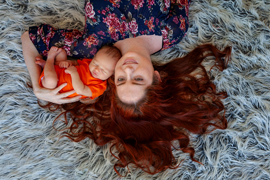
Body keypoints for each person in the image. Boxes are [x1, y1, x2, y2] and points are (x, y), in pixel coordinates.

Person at [21, 0, 231, 176]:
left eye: (121, 80)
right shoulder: (173, 31)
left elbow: (30, 39)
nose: (128, 69)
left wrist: (38, 88)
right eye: (138, 79)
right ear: (157, 78)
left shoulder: (93, 47)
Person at [38, 45, 121, 99]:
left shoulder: (100, 87)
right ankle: (47, 66)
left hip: (53, 86)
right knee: (62, 53)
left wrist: (74, 73)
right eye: (95, 63)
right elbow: (75, 63)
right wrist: (68, 63)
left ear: (113, 74)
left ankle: (49, 59)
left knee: (51, 80)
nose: (96, 69)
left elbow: (80, 90)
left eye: (104, 70)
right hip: (59, 69)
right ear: (94, 57)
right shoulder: (88, 63)